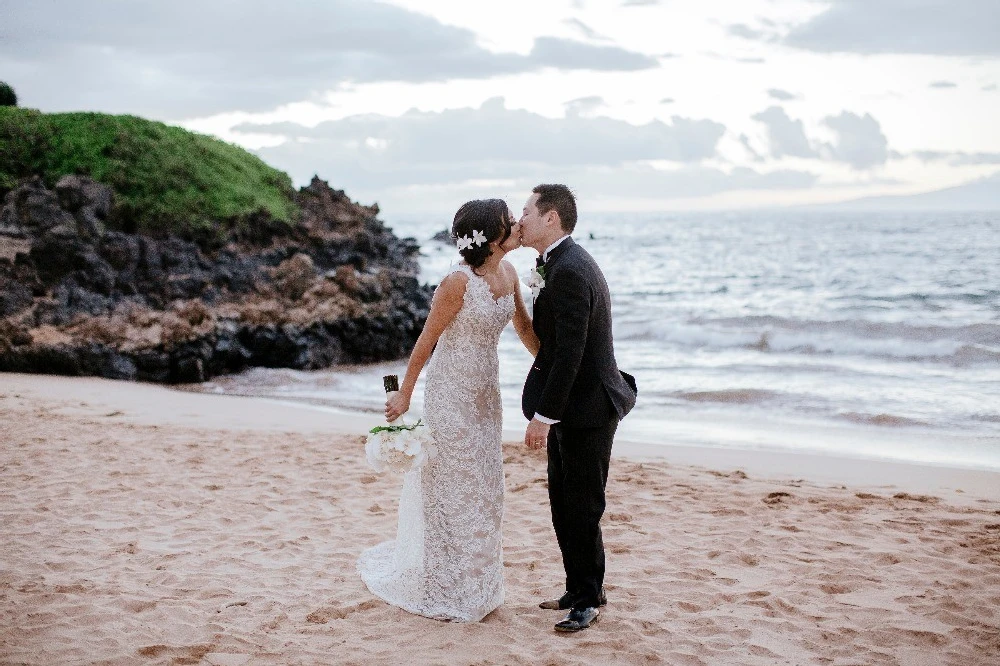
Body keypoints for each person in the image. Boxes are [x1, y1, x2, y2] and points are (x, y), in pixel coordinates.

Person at [357, 199, 537, 622]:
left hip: (486, 397)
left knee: (487, 490)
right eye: (508, 220)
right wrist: (404, 393)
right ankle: (445, 586)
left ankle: (480, 585)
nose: (515, 224)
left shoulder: (509, 273)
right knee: (453, 491)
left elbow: (525, 329)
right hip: (451, 395)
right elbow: (427, 340)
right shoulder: (456, 283)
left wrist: (555, 368)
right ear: (490, 236)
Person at [519, 184, 637, 633]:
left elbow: (570, 352)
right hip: (574, 403)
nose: (519, 220)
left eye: (526, 211)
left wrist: (542, 418)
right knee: (561, 502)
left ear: (551, 218)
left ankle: (588, 598)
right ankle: (578, 585)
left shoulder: (569, 270)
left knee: (583, 506)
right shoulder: (557, 263)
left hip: (588, 407)